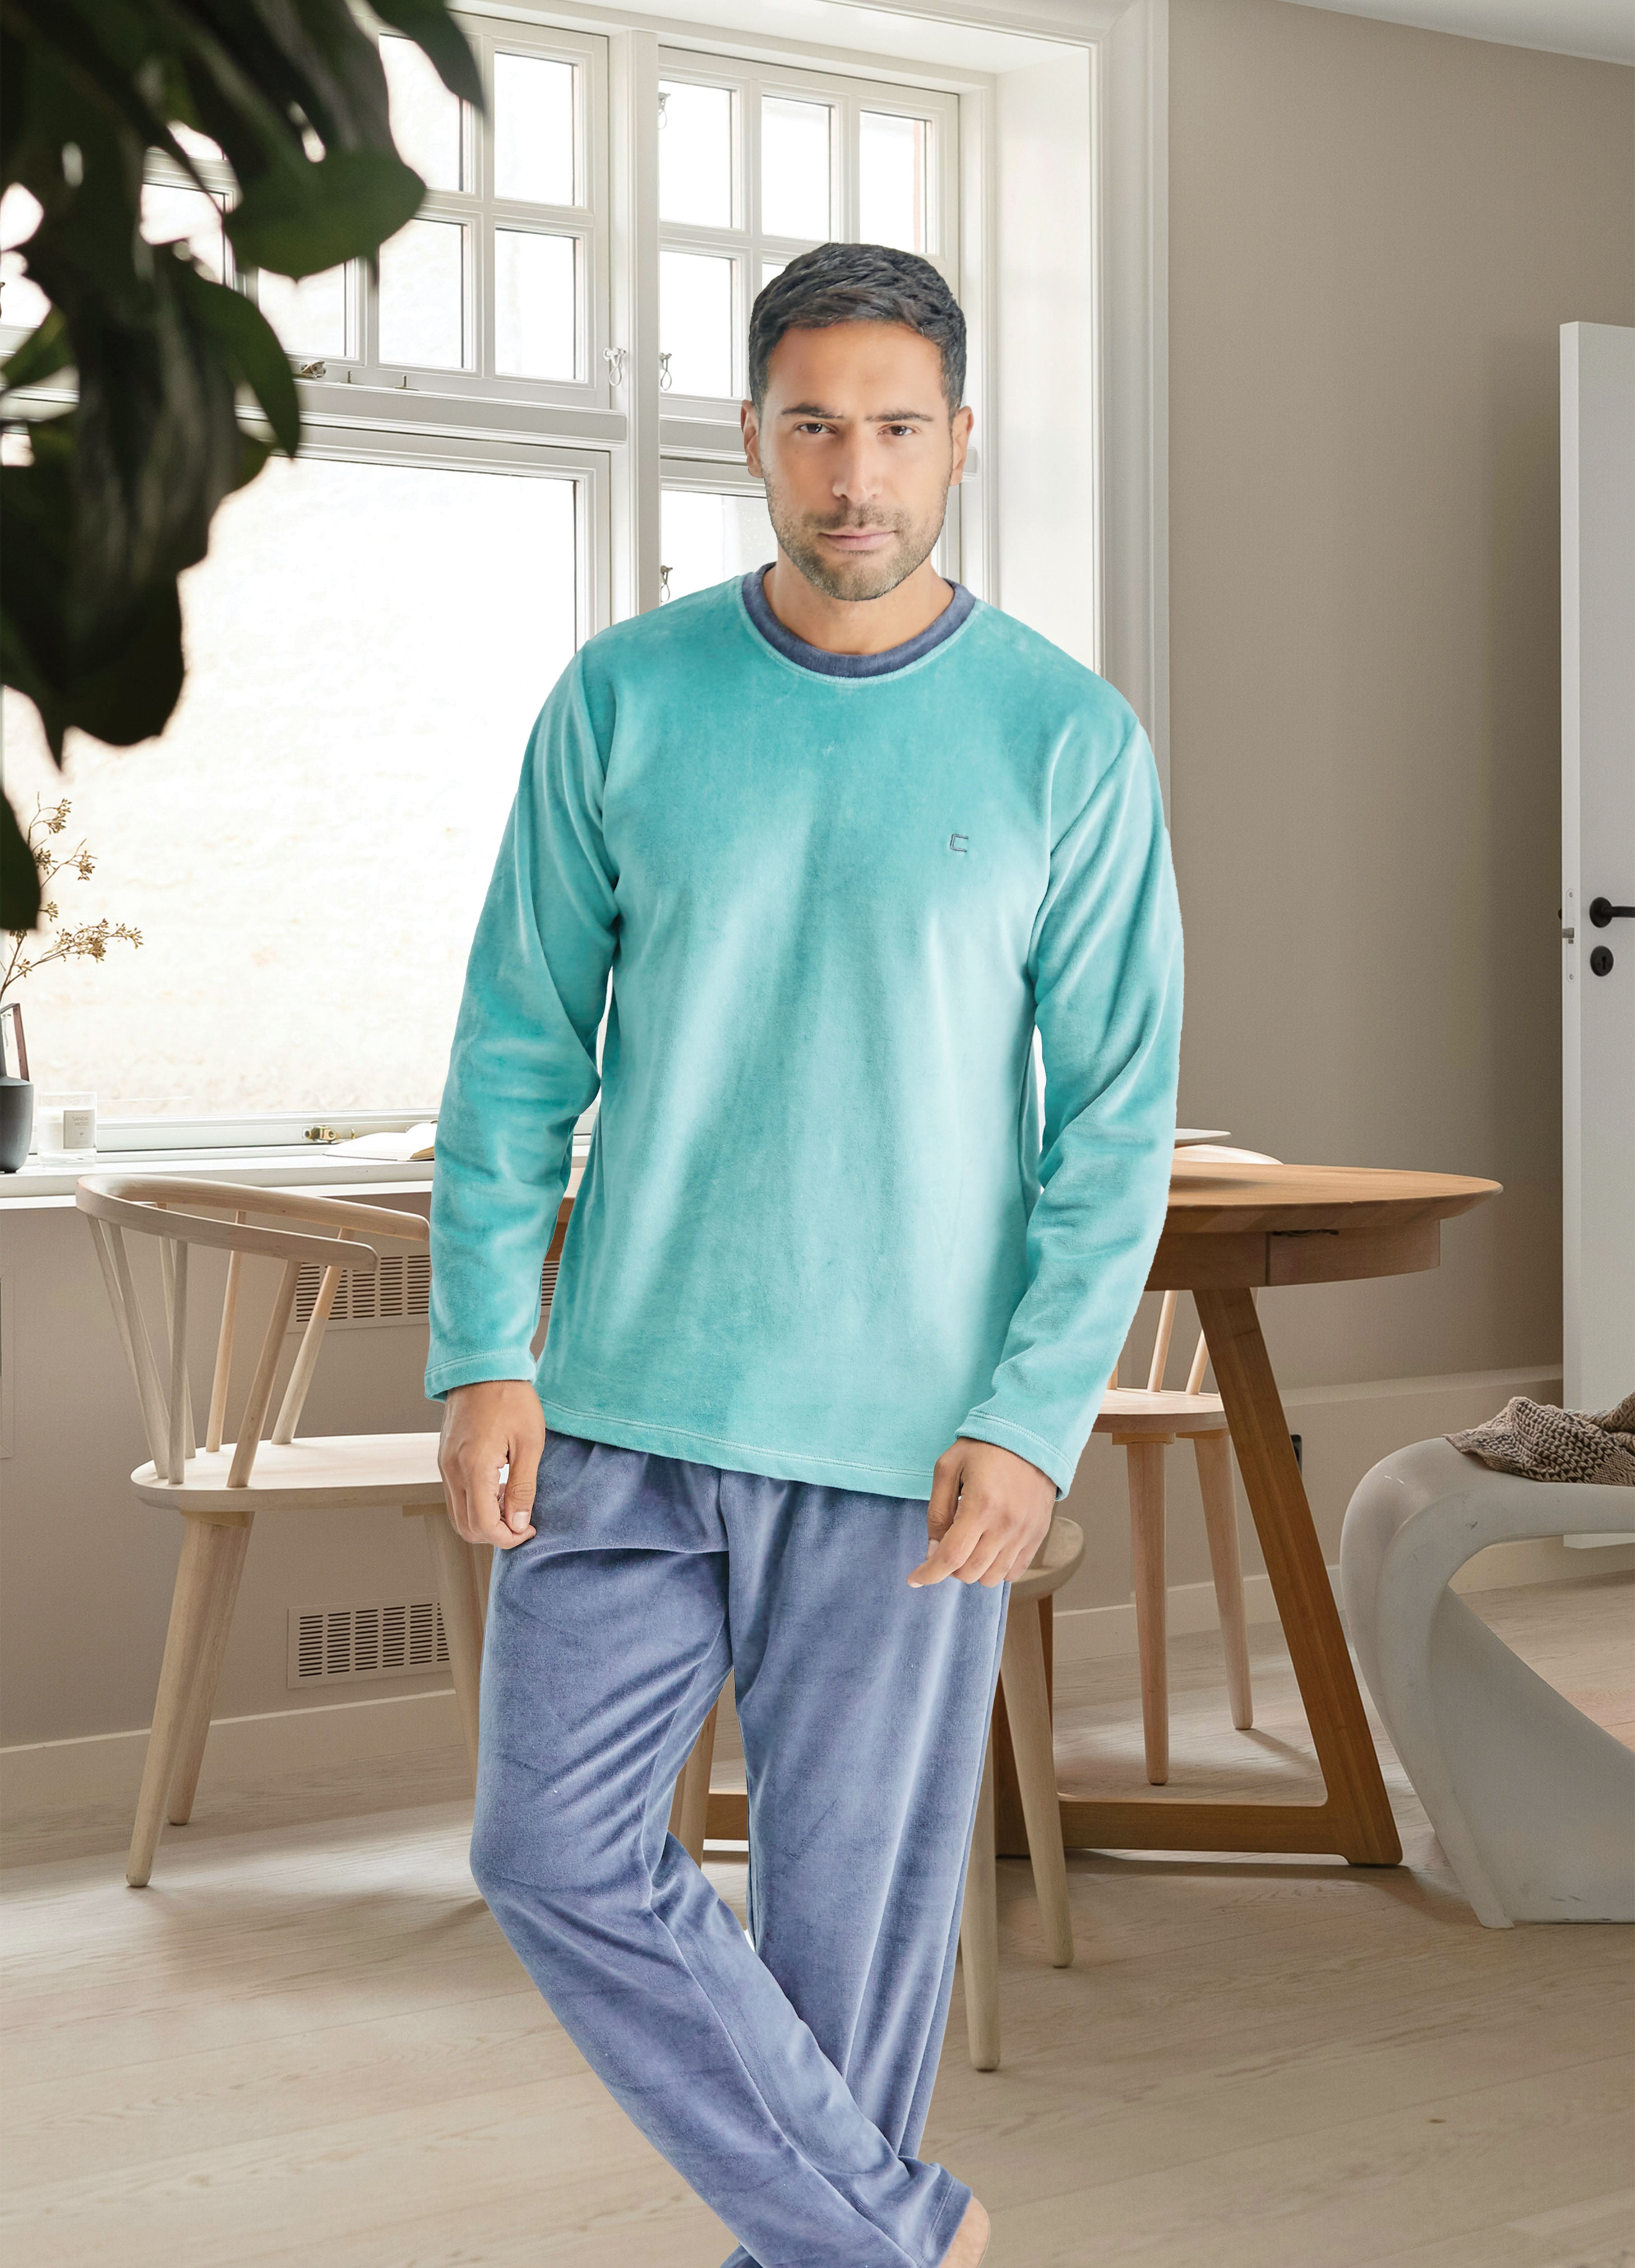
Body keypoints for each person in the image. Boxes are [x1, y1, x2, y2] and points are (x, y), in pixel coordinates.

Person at [428, 241, 1183, 2268]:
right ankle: (904, 2241)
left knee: (847, 1965)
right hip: (621, 1411)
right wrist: (484, 1348)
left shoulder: (1065, 738)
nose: (859, 473)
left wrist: (1033, 1420)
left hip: (907, 1450)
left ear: (962, 442)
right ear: (754, 438)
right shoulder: (624, 698)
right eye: (816, 426)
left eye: (898, 428)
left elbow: (1116, 1125)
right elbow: (516, 1049)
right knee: (549, 1849)